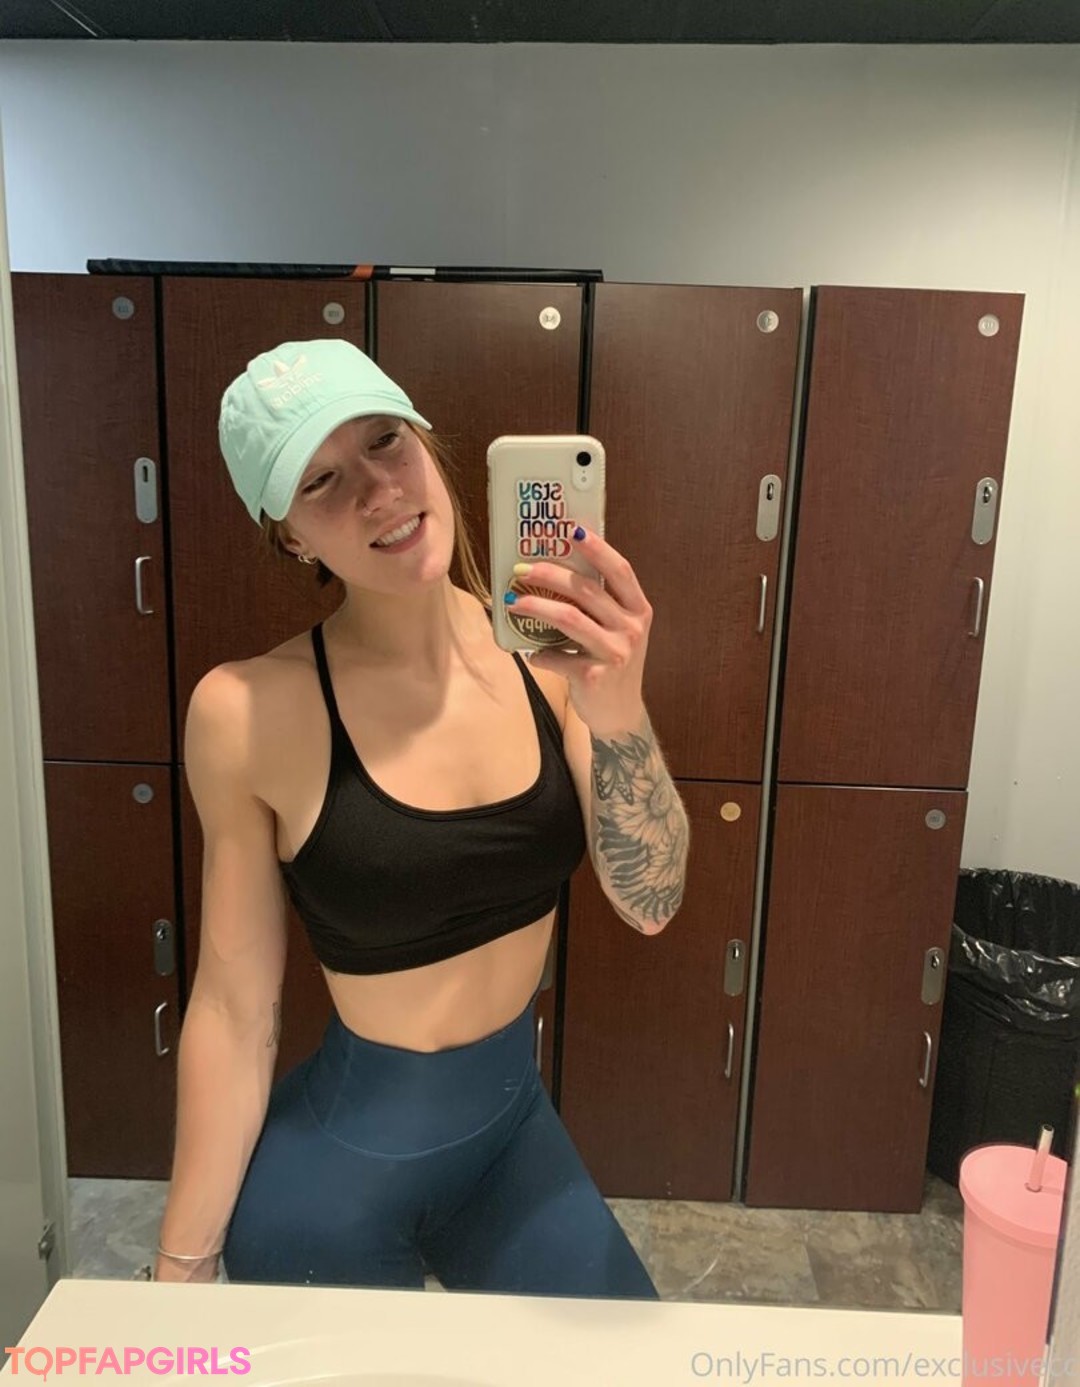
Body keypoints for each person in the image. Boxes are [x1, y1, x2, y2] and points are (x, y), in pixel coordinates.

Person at [153, 339, 689, 1297]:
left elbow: (651, 904)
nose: (377, 491)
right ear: (290, 536)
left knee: (632, 1353)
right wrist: (179, 1266)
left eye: (384, 441)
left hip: (509, 1139)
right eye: (321, 481)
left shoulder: (549, 663)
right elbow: (234, 1008)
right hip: (329, 1189)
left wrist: (617, 710)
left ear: (430, 447)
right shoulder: (247, 711)